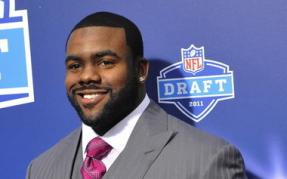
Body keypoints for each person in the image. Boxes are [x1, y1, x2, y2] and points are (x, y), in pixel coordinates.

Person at [26, 12, 247, 179]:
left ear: (140, 70)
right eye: (75, 65)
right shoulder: (41, 169)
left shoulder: (207, 160)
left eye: (105, 62)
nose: (86, 76)